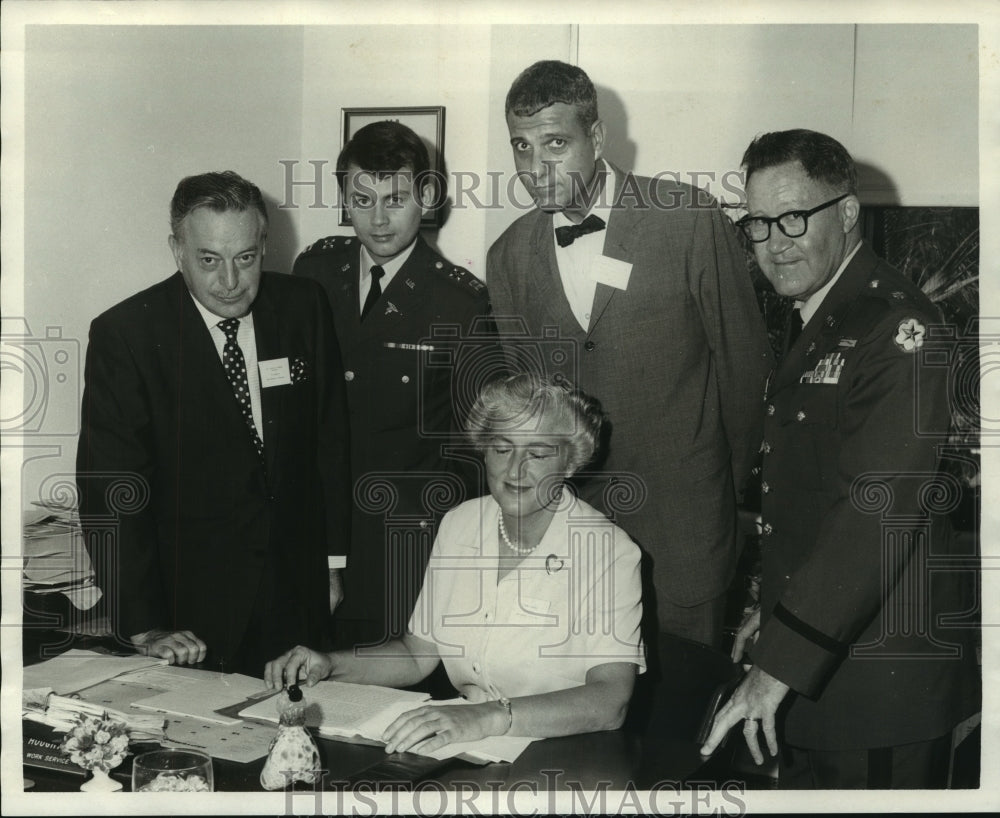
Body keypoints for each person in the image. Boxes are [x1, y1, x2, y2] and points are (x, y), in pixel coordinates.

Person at [700, 129, 980, 788]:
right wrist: (768, 612)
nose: (775, 241)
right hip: (823, 663)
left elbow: (872, 513)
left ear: (848, 213)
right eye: (759, 224)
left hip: (878, 690)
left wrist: (779, 663)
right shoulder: (825, 316)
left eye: (794, 216)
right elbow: (811, 496)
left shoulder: (894, 327)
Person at [486, 60, 773, 649]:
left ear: (596, 138)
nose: (536, 168)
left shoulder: (689, 218)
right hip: (574, 539)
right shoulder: (508, 255)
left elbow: (746, 375)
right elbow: (529, 411)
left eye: (555, 144)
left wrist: (719, 490)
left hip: (685, 533)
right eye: (522, 147)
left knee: (682, 721)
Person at [265, 373, 645, 753]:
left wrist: (485, 717)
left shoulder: (607, 551)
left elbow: (611, 700)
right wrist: (330, 663)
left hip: (566, 756)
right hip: (471, 745)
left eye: (539, 454)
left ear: (571, 463)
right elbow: (418, 654)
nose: (515, 469)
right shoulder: (461, 523)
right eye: (501, 449)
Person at [76, 171, 351, 676]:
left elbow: (329, 443)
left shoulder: (303, 307)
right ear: (177, 250)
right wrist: (144, 625)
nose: (230, 281)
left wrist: (333, 566)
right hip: (191, 619)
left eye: (245, 258)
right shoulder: (128, 335)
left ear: (264, 245)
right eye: (209, 260)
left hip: (298, 599)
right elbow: (111, 489)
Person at [293, 121, 494, 649]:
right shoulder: (312, 272)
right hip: (313, 533)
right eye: (362, 199)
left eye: (396, 198)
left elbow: (474, 451)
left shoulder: (460, 302)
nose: (378, 218)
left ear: (425, 197)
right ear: (343, 197)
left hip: (404, 546)